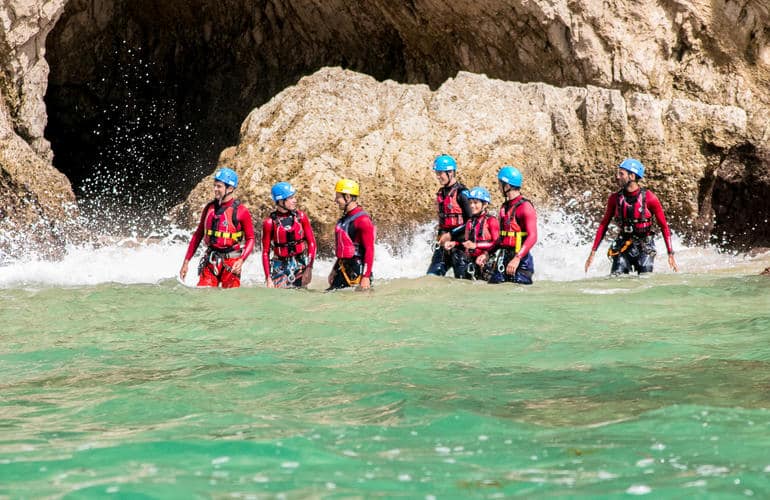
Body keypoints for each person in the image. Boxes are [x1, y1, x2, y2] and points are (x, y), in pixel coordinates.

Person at [584, 158, 679, 275]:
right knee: (616, 279)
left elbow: (664, 227)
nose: (617, 176)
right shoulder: (614, 199)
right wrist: (592, 252)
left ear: (632, 176)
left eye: (621, 173)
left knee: (645, 281)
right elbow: (604, 225)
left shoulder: (650, 198)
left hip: (645, 248)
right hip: (623, 246)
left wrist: (670, 254)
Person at [179, 167, 255, 288]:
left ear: (230, 188)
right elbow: (198, 234)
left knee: (229, 300)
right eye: (214, 185)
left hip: (231, 262)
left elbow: (251, 239)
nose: (215, 189)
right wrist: (186, 262)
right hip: (211, 260)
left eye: (219, 186)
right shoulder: (209, 208)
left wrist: (241, 260)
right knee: (204, 298)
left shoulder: (241, 211)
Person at [486, 166, 537, 284]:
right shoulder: (505, 206)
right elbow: (502, 237)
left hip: (521, 260)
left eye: (500, 184)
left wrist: (517, 258)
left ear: (507, 186)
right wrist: (487, 253)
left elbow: (533, 236)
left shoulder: (525, 207)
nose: (498, 187)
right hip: (504, 257)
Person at [261, 182, 317, 288]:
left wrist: (309, 268)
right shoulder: (269, 223)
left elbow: (312, 243)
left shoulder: (301, 217)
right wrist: (268, 278)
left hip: (300, 263)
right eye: (291, 198)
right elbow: (265, 252)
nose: (295, 200)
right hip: (280, 266)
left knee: (301, 296)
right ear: (281, 201)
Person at [426, 154, 472, 278]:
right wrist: (440, 236)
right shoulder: (442, 193)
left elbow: (471, 221)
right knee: (431, 277)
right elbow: (443, 221)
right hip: (444, 247)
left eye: (441, 173)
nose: (438, 176)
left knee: (463, 281)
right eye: (437, 173)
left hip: (460, 246)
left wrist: (451, 235)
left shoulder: (462, 193)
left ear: (450, 172)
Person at [328, 179, 376, 290]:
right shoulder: (345, 219)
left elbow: (370, 249)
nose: (335, 200)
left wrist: (366, 277)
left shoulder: (363, 220)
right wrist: (334, 270)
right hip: (343, 270)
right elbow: (344, 248)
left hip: (357, 273)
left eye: (338, 196)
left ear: (348, 197)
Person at [446, 186, 499, 280]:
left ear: (485, 204)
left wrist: (477, 246)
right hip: (472, 261)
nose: (472, 206)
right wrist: (455, 243)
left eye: (476, 202)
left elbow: (496, 243)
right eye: (470, 202)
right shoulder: (470, 222)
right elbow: (468, 244)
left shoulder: (491, 220)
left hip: (486, 262)